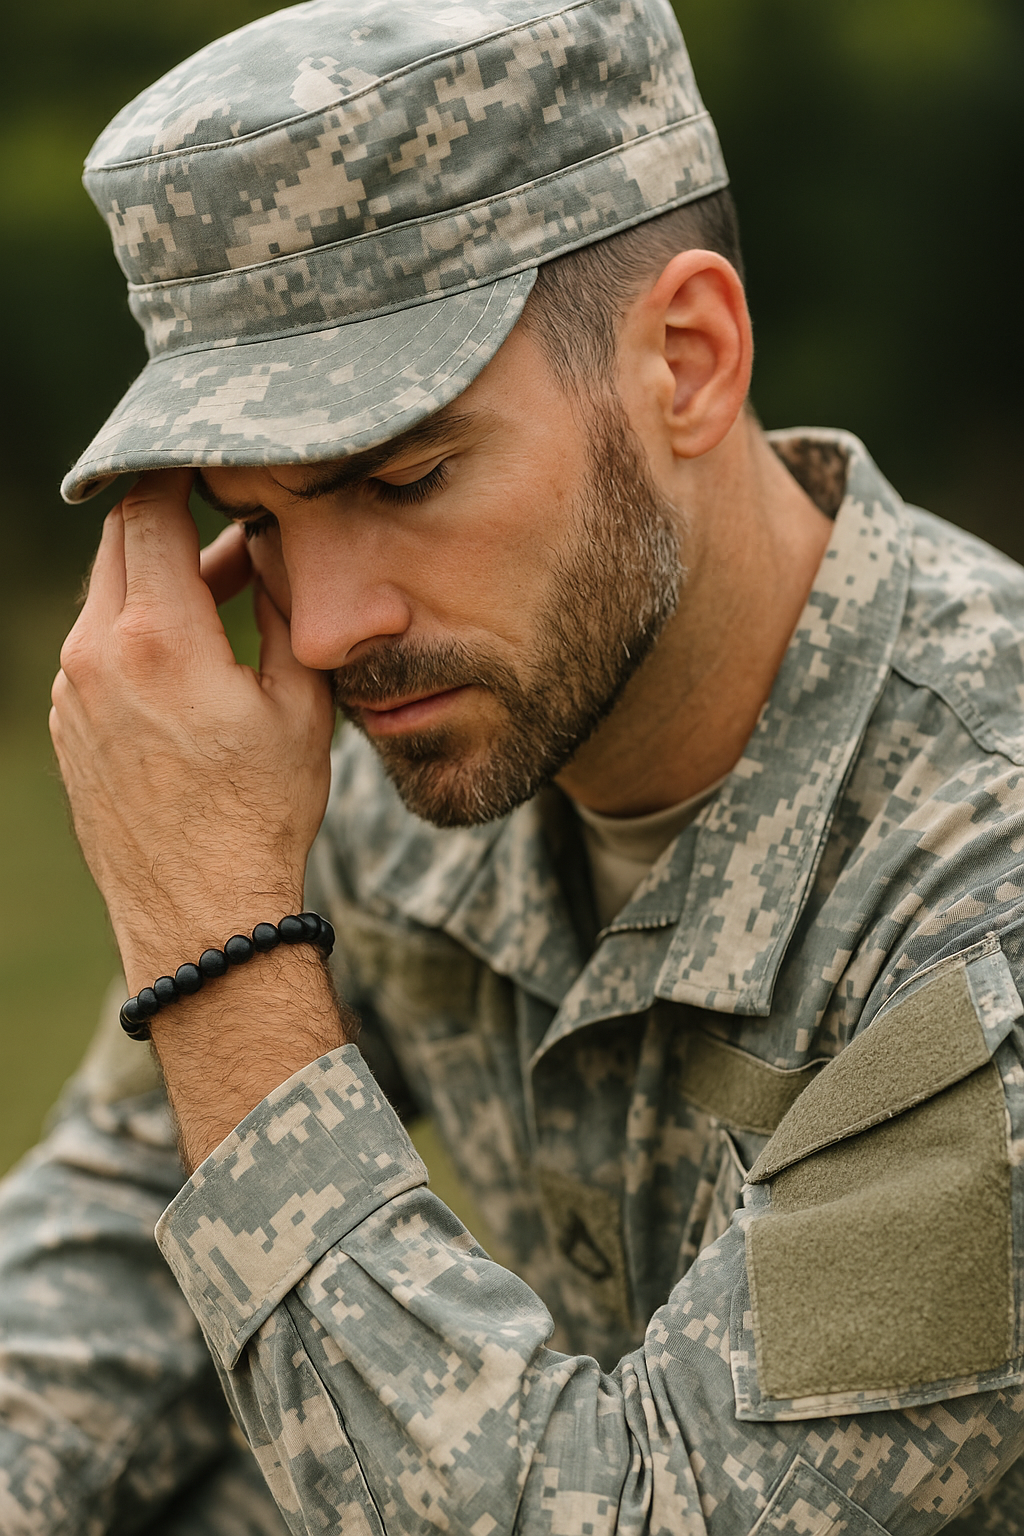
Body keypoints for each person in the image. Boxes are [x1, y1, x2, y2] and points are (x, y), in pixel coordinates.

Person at [4, 0, 1024, 1530]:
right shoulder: (424, 731)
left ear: (687, 361)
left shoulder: (987, 881)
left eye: (407, 477)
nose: (326, 631)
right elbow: (115, 1234)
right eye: (257, 518)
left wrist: (217, 956)